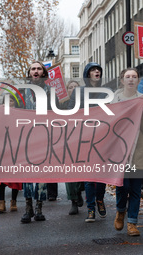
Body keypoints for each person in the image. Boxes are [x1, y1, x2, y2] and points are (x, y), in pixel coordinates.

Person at [68, 62, 107, 222]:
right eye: (93, 70)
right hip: (84, 137)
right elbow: (70, 111)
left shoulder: (106, 92)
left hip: (103, 138)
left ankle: (99, 199)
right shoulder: (78, 92)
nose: (96, 72)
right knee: (89, 176)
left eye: (98, 70)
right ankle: (90, 209)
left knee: (102, 176)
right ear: (87, 74)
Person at [112, 68, 143, 236]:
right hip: (121, 153)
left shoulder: (142, 100)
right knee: (123, 187)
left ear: (138, 81)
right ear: (122, 81)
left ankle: (132, 223)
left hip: (138, 151)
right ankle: (120, 211)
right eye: (127, 77)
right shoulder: (114, 100)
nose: (131, 80)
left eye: (134, 77)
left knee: (136, 189)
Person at [21, 61, 52, 223]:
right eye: (33, 68)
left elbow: (55, 112)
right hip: (25, 136)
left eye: (39, 68)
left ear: (43, 73)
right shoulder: (22, 90)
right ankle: (28, 208)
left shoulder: (49, 91)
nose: (36, 71)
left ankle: (39, 207)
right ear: (29, 72)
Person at [61, 80, 85, 215]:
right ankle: (73, 201)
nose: (73, 89)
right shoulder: (61, 104)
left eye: (76, 87)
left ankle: (79, 189)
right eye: (70, 87)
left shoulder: (85, 104)